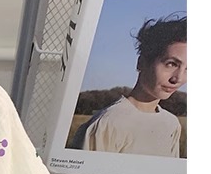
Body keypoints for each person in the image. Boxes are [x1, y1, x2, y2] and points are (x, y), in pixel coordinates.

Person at [69, 14, 186, 156]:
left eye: (188, 69)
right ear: (141, 62)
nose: (178, 78)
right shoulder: (106, 124)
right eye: (171, 64)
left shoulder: (171, 124)